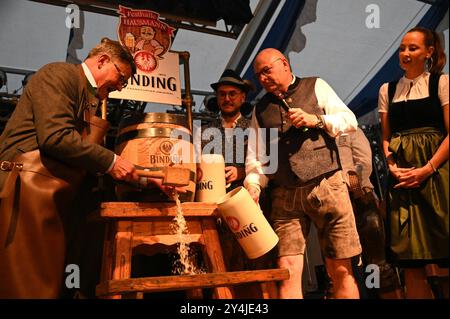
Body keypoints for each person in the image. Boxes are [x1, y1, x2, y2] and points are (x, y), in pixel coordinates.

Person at [0, 37, 177, 298]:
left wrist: (145, 179)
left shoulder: (89, 97)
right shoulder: (59, 74)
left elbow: (92, 161)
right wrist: (112, 162)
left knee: (51, 285)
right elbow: (56, 137)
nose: (120, 86)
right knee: (27, 284)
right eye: (121, 77)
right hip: (25, 190)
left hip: (54, 198)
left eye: (125, 83)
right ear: (103, 60)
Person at [244, 48, 361, 299]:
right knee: (287, 269)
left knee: (339, 268)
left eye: (267, 71)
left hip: (327, 186)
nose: (263, 79)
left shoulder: (315, 85)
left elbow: (350, 120)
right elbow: (256, 158)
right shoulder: (260, 109)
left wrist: (316, 120)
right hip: (285, 196)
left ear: (285, 64)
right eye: (258, 75)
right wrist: (254, 184)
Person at [378, 27, 448, 299]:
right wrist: (392, 166)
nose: (405, 53)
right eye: (402, 48)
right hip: (403, 178)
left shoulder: (441, 83)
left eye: (413, 48)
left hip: (438, 175)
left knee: (443, 250)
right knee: (410, 259)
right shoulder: (388, 89)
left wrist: (428, 169)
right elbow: (386, 138)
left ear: (428, 52)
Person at [337, 127, 403, 298]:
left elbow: (364, 162)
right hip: (335, 204)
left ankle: (381, 295)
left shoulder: (349, 129)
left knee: (376, 264)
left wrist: (352, 183)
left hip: (361, 199)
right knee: (344, 267)